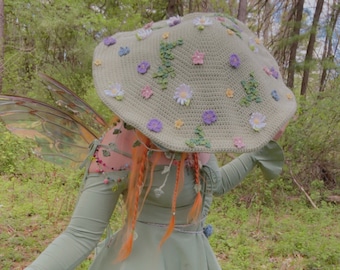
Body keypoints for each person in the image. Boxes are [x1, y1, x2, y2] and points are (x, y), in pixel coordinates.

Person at [25, 12, 296, 270]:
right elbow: (80, 236)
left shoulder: (197, 129)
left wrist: (258, 149)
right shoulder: (122, 142)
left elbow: (215, 182)